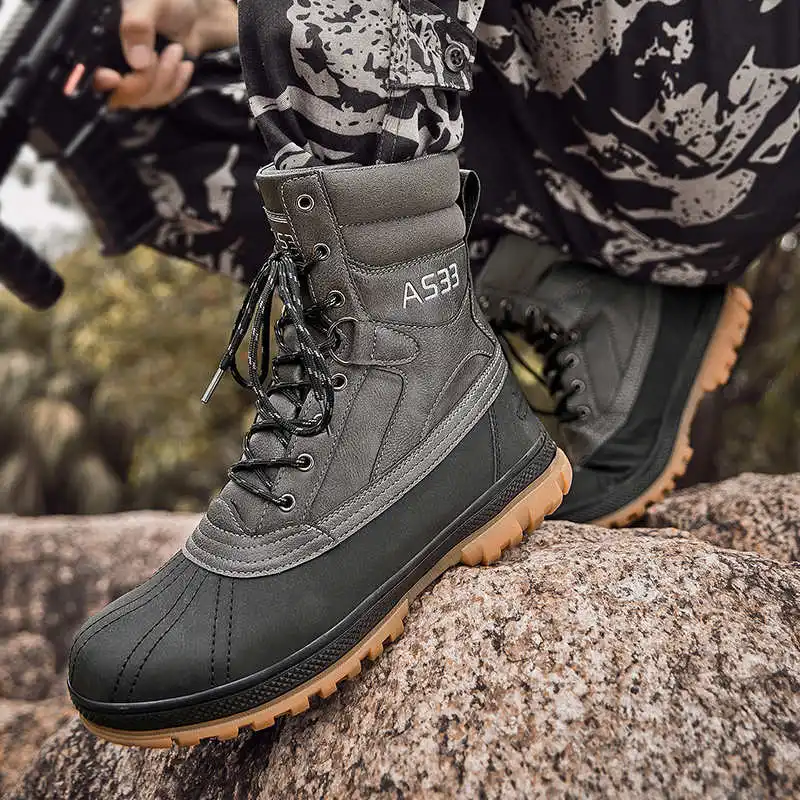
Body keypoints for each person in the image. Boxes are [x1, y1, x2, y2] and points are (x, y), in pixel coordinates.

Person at [66, 0, 793, 746]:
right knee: (119, 111)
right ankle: (594, 297)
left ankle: (415, 372)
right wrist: (208, 19)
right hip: (591, 137)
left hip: (729, 90)